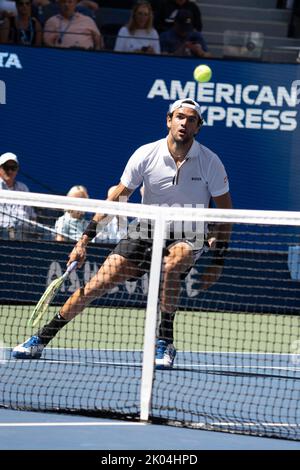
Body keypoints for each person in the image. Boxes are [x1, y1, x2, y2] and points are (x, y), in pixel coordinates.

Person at [13, 98, 232, 369]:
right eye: (179, 117)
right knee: (95, 285)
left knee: (173, 265)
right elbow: (116, 198)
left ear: (198, 126)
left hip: (188, 230)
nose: (183, 123)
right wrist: (84, 240)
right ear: (168, 120)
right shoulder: (146, 154)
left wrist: (218, 259)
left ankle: (164, 341)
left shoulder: (210, 162)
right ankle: (41, 338)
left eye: (190, 119)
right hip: (147, 228)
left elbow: (226, 214)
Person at [0, 152, 37, 240]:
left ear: (17, 170)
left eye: (13, 168)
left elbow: (31, 215)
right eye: (6, 167)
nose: (10, 171)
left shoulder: (23, 188)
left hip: (22, 235)